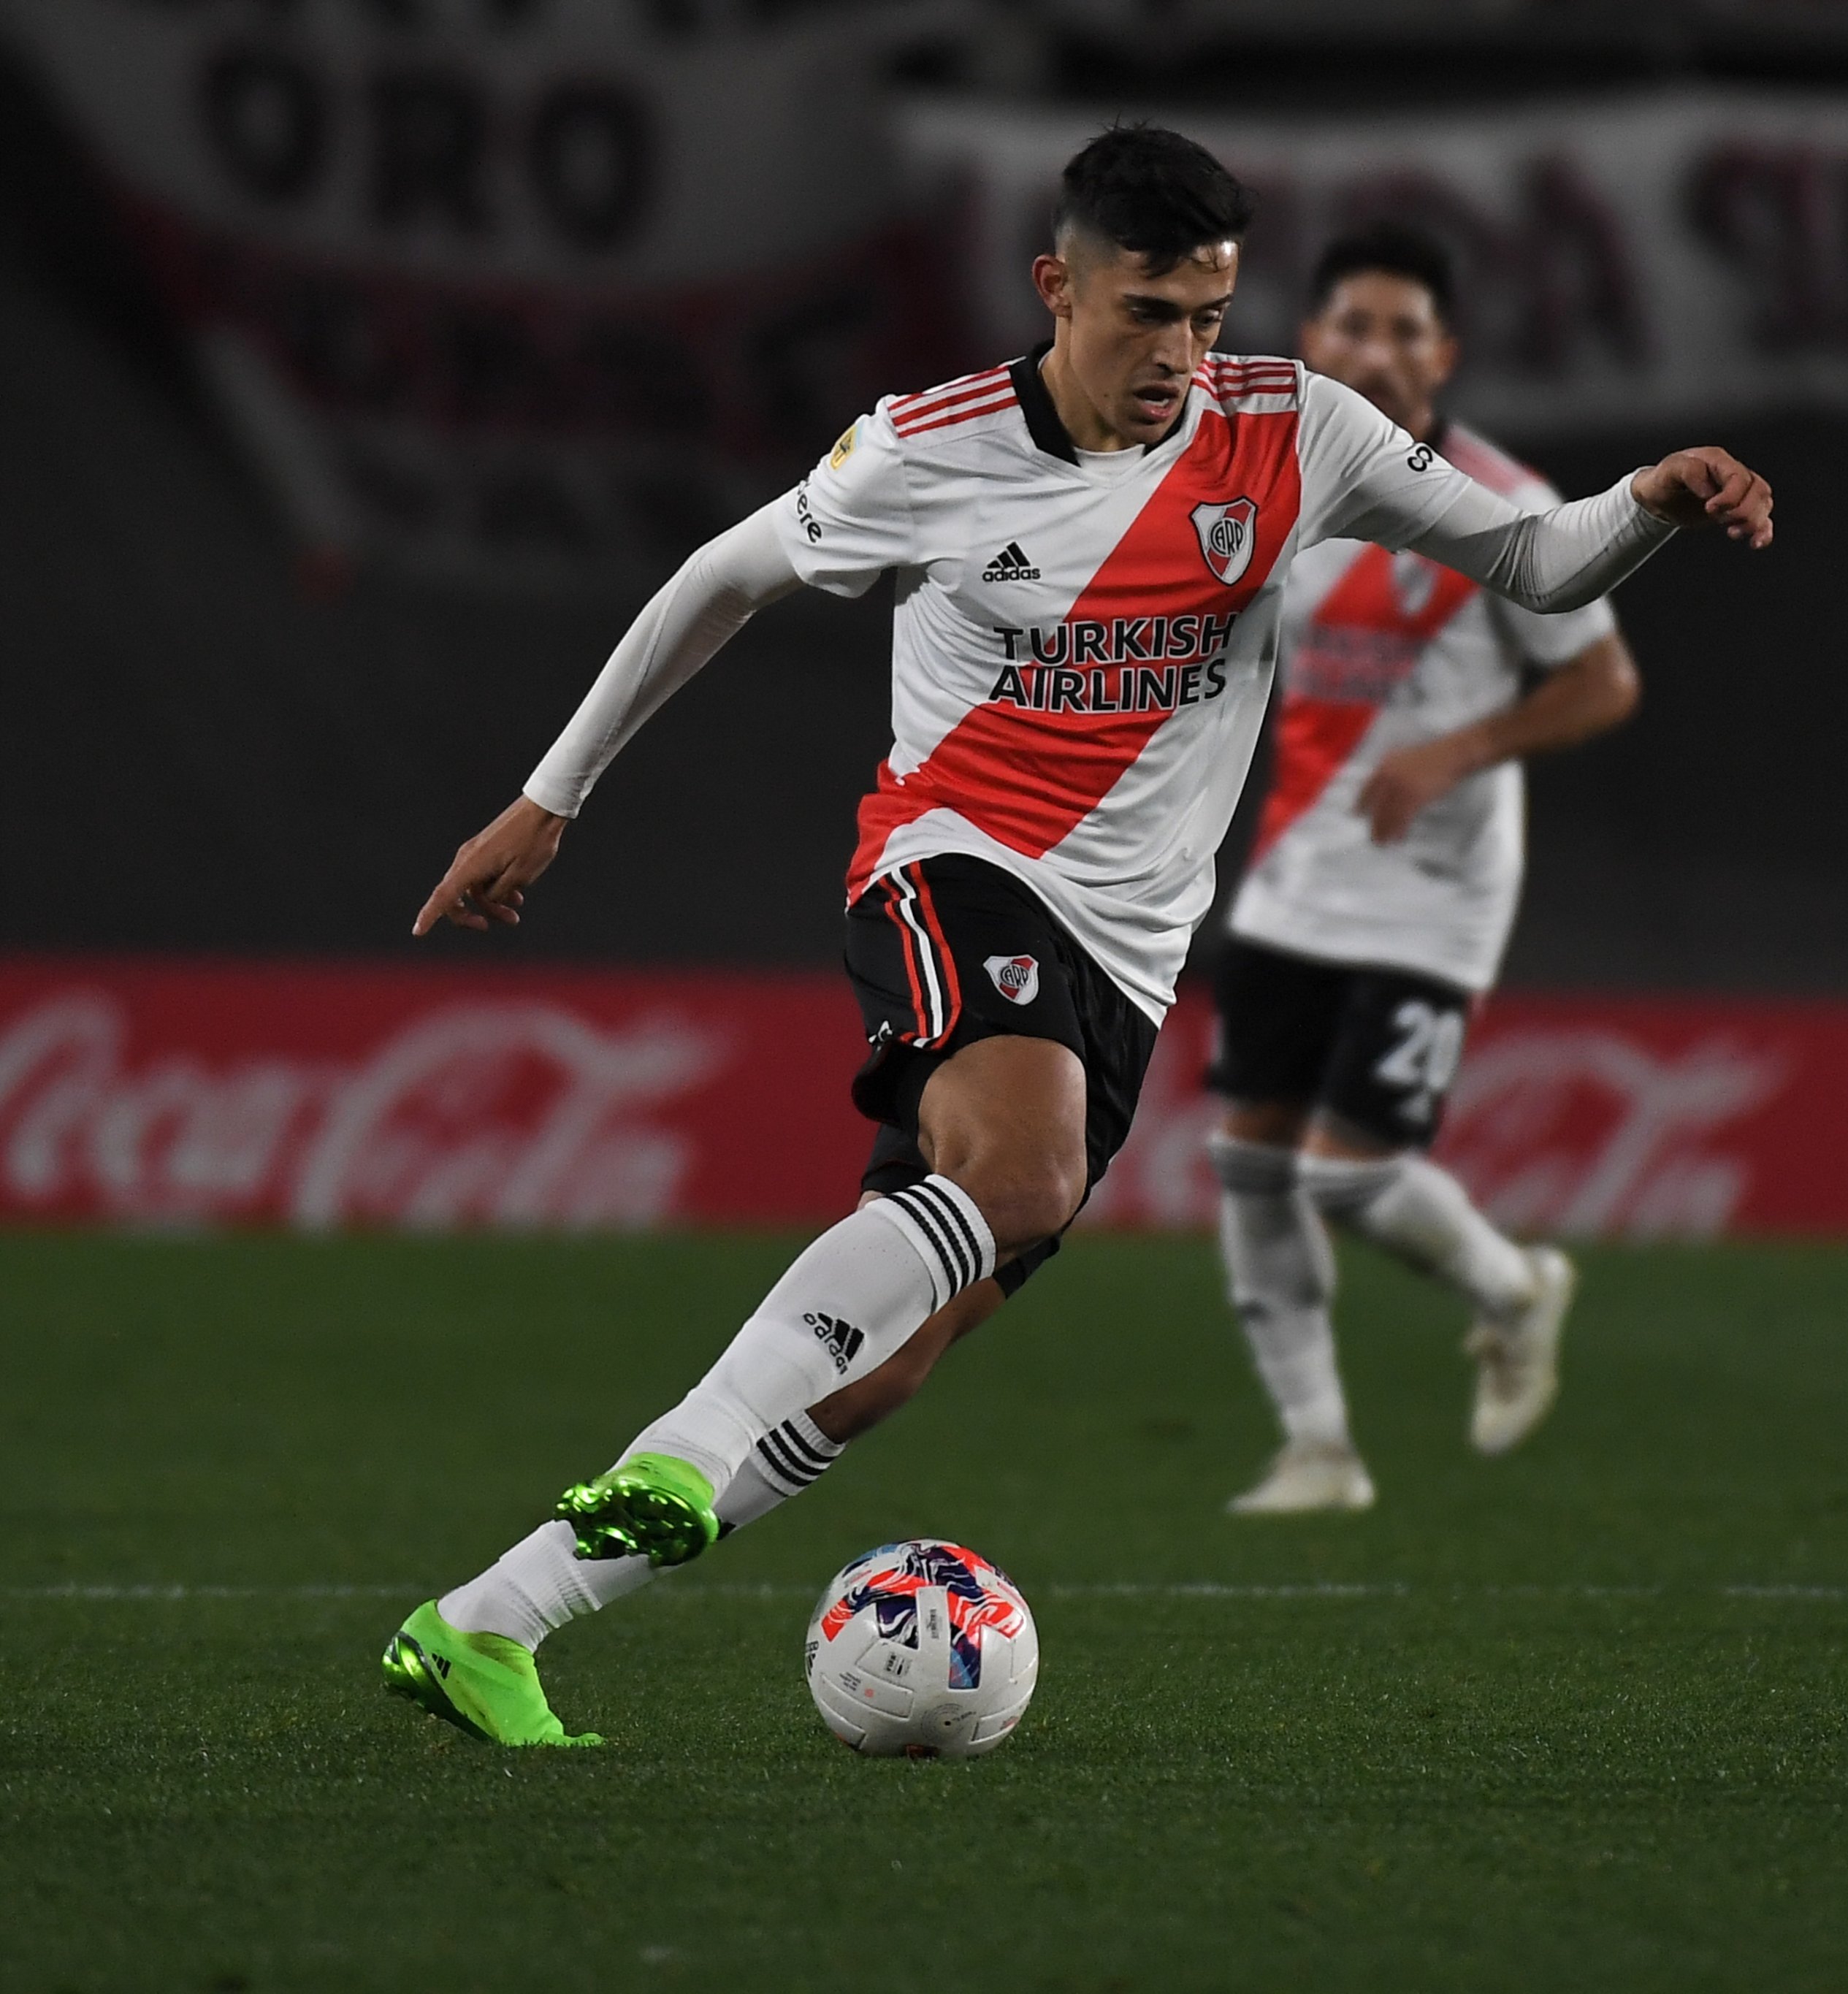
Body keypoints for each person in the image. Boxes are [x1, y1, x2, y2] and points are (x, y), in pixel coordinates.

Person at [382, 125, 1773, 1749]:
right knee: (1023, 1175)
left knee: (884, 1366)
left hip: (1127, 958)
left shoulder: (1295, 430)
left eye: (1206, 314)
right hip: (952, 866)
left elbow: (1533, 564)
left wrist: (1651, 503)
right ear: (1056, 287)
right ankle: (682, 1455)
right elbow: (722, 575)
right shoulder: (927, 448)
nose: (1180, 354)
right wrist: (552, 798)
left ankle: (490, 1622)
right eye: (1143, 314)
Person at [1206, 224, 1641, 1516]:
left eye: (1406, 331)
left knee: (1347, 1173)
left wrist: (1461, 747)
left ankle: (1515, 1289)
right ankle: (1318, 1448)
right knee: (1249, 1162)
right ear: (1314, 340)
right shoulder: (1275, 483)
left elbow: (1604, 683)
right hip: (1294, 871)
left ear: (1443, 355)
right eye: (1354, 325)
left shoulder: (1499, 501)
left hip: (1434, 890)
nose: (1377, 352)